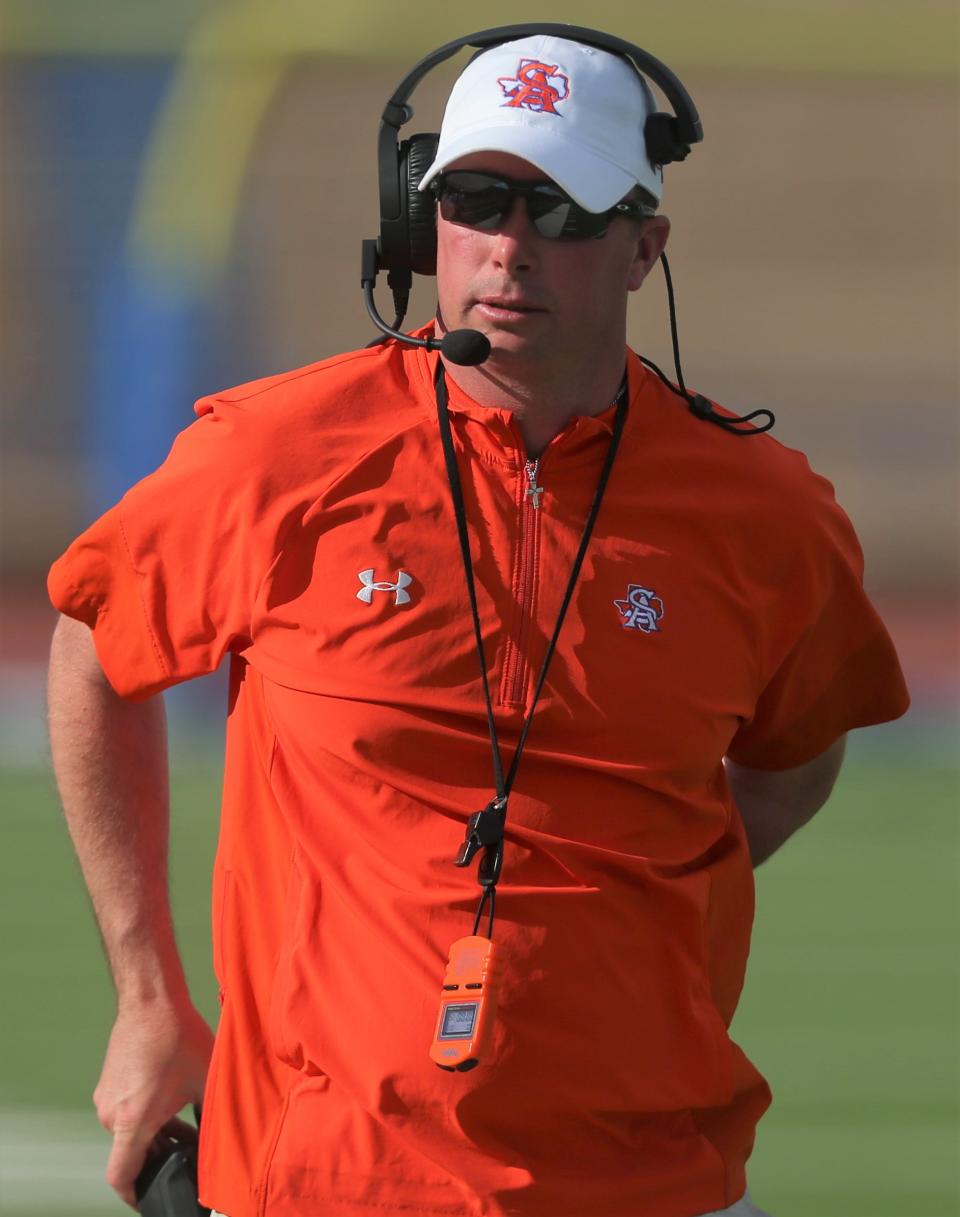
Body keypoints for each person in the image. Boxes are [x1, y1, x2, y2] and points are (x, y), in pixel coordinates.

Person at [46, 29, 909, 1217]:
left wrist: (620, 889)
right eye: (474, 200)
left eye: (559, 211)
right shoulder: (276, 458)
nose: (509, 248)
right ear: (420, 221)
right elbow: (93, 651)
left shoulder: (766, 516)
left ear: (645, 244)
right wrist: (149, 998)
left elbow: (792, 755)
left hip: (655, 1178)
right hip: (322, 1177)